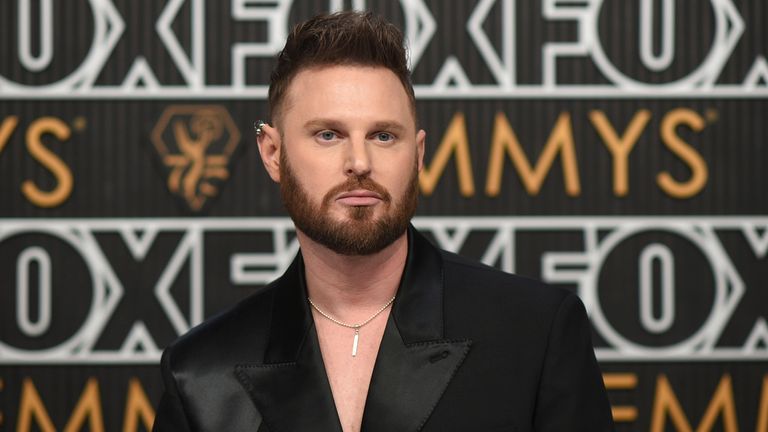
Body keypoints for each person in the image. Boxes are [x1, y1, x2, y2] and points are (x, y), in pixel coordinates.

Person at [152, 11, 614, 432]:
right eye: (328, 134)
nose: (359, 161)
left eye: (383, 135)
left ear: (417, 154)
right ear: (273, 153)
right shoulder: (199, 372)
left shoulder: (535, 334)